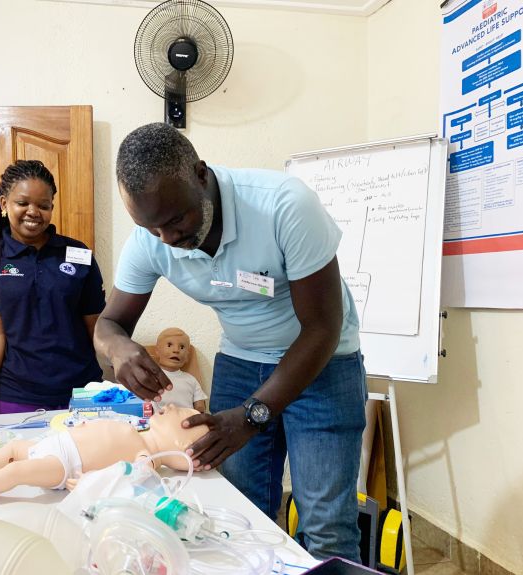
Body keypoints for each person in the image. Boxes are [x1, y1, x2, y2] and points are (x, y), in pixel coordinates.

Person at [93, 123, 367, 561]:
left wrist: (254, 414)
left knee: (326, 526)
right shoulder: (153, 235)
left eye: (176, 219)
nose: (167, 239)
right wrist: (120, 349)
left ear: (201, 175)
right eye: (150, 227)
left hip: (323, 365)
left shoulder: (283, 205)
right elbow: (108, 323)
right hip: (242, 364)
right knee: (238, 511)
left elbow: (322, 327)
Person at [0, 160, 106, 417]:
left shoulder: (79, 254)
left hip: (81, 394)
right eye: (23, 203)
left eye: (43, 205)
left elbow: (97, 326)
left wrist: (120, 380)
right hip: (12, 396)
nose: (34, 212)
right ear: (4, 204)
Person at [0, 404, 208, 497]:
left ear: (183, 448)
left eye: (182, 414)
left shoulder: (147, 459)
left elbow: (123, 483)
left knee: (17, 470)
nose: (172, 406)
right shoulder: (137, 433)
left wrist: (92, 483)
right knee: (14, 447)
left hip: (64, 464)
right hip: (57, 443)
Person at [153, 327, 207, 412]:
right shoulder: (150, 377)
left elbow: (200, 407)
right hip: (160, 421)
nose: (176, 350)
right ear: (157, 351)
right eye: (169, 345)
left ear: (187, 357)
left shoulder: (191, 380)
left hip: (187, 421)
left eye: (182, 347)